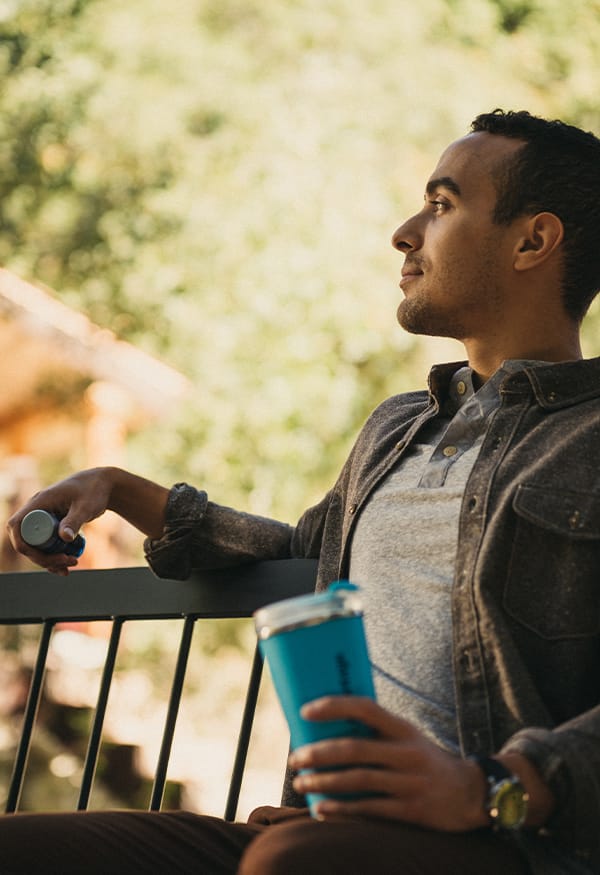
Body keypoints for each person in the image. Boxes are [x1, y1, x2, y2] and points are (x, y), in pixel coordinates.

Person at [3, 108, 600, 875]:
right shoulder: (396, 429)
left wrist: (495, 788)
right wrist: (119, 486)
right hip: (319, 830)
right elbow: (300, 553)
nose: (405, 231)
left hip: (513, 839)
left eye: (443, 205)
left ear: (533, 240)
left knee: (292, 864)